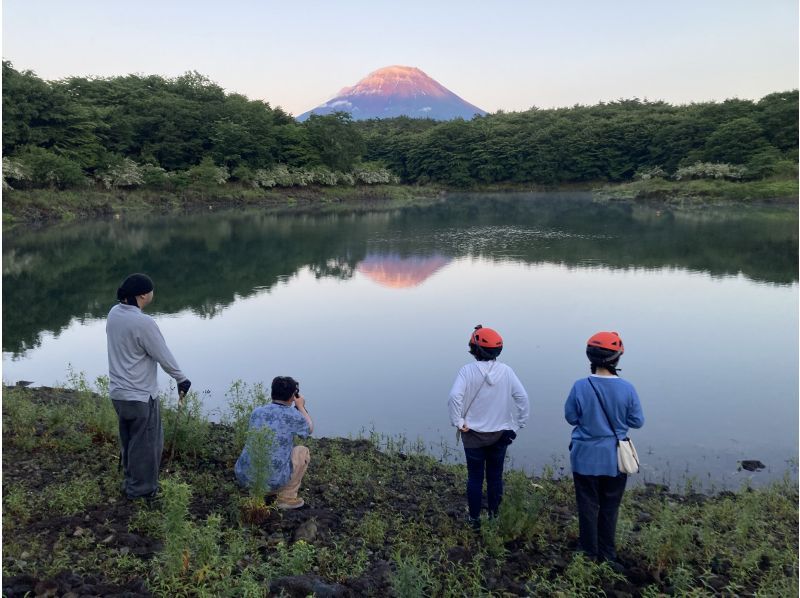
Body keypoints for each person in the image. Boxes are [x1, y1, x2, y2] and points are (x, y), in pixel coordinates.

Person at [106, 273, 191, 499]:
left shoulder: (114, 314)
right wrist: (181, 378)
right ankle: (141, 492)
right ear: (143, 295)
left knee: (130, 440)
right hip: (140, 396)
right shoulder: (143, 323)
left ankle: (131, 482)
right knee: (147, 445)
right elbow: (162, 354)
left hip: (119, 394)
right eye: (151, 290)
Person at [564, 331, 644, 568]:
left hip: (584, 457)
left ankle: (588, 553)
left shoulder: (580, 386)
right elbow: (637, 421)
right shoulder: (627, 389)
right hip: (614, 458)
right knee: (610, 506)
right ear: (617, 359)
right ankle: (607, 555)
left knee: (587, 505)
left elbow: (570, 417)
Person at [449, 325, 530, 528]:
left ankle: (474, 521)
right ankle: (494, 519)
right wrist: (517, 426)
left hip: (473, 435)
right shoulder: (507, 371)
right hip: (500, 435)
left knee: (475, 478)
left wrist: (458, 421)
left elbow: (454, 397)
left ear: (474, 350)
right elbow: (523, 398)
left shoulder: (466, 371)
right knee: (495, 478)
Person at [235, 376, 313, 509]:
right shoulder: (293, 416)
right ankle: (286, 498)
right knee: (302, 451)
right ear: (293, 395)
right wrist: (300, 406)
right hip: (273, 483)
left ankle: (255, 492)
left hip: (245, 478)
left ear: (272, 392)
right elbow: (309, 428)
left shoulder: (257, 412)